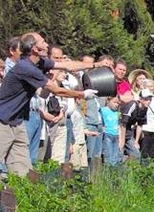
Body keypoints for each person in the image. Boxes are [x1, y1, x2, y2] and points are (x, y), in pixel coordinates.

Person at [0, 32, 107, 176]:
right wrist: (82, 94)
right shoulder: (26, 68)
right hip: (3, 122)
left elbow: (67, 66)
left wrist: (96, 64)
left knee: (22, 170)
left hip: (17, 122)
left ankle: (21, 195)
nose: (47, 45)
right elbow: (56, 90)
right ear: (34, 49)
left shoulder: (40, 63)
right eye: (43, 42)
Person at [100, 97, 122, 166]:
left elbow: (119, 124)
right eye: (114, 102)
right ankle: (108, 169)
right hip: (107, 134)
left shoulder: (117, 112)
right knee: (108, 153)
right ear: (108, 101)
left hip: (116, 135)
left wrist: (120, 137)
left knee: (116, 155)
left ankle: (114, 171)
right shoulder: (103, 110)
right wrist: (102, 128)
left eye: (118, 103)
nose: (116, 104)